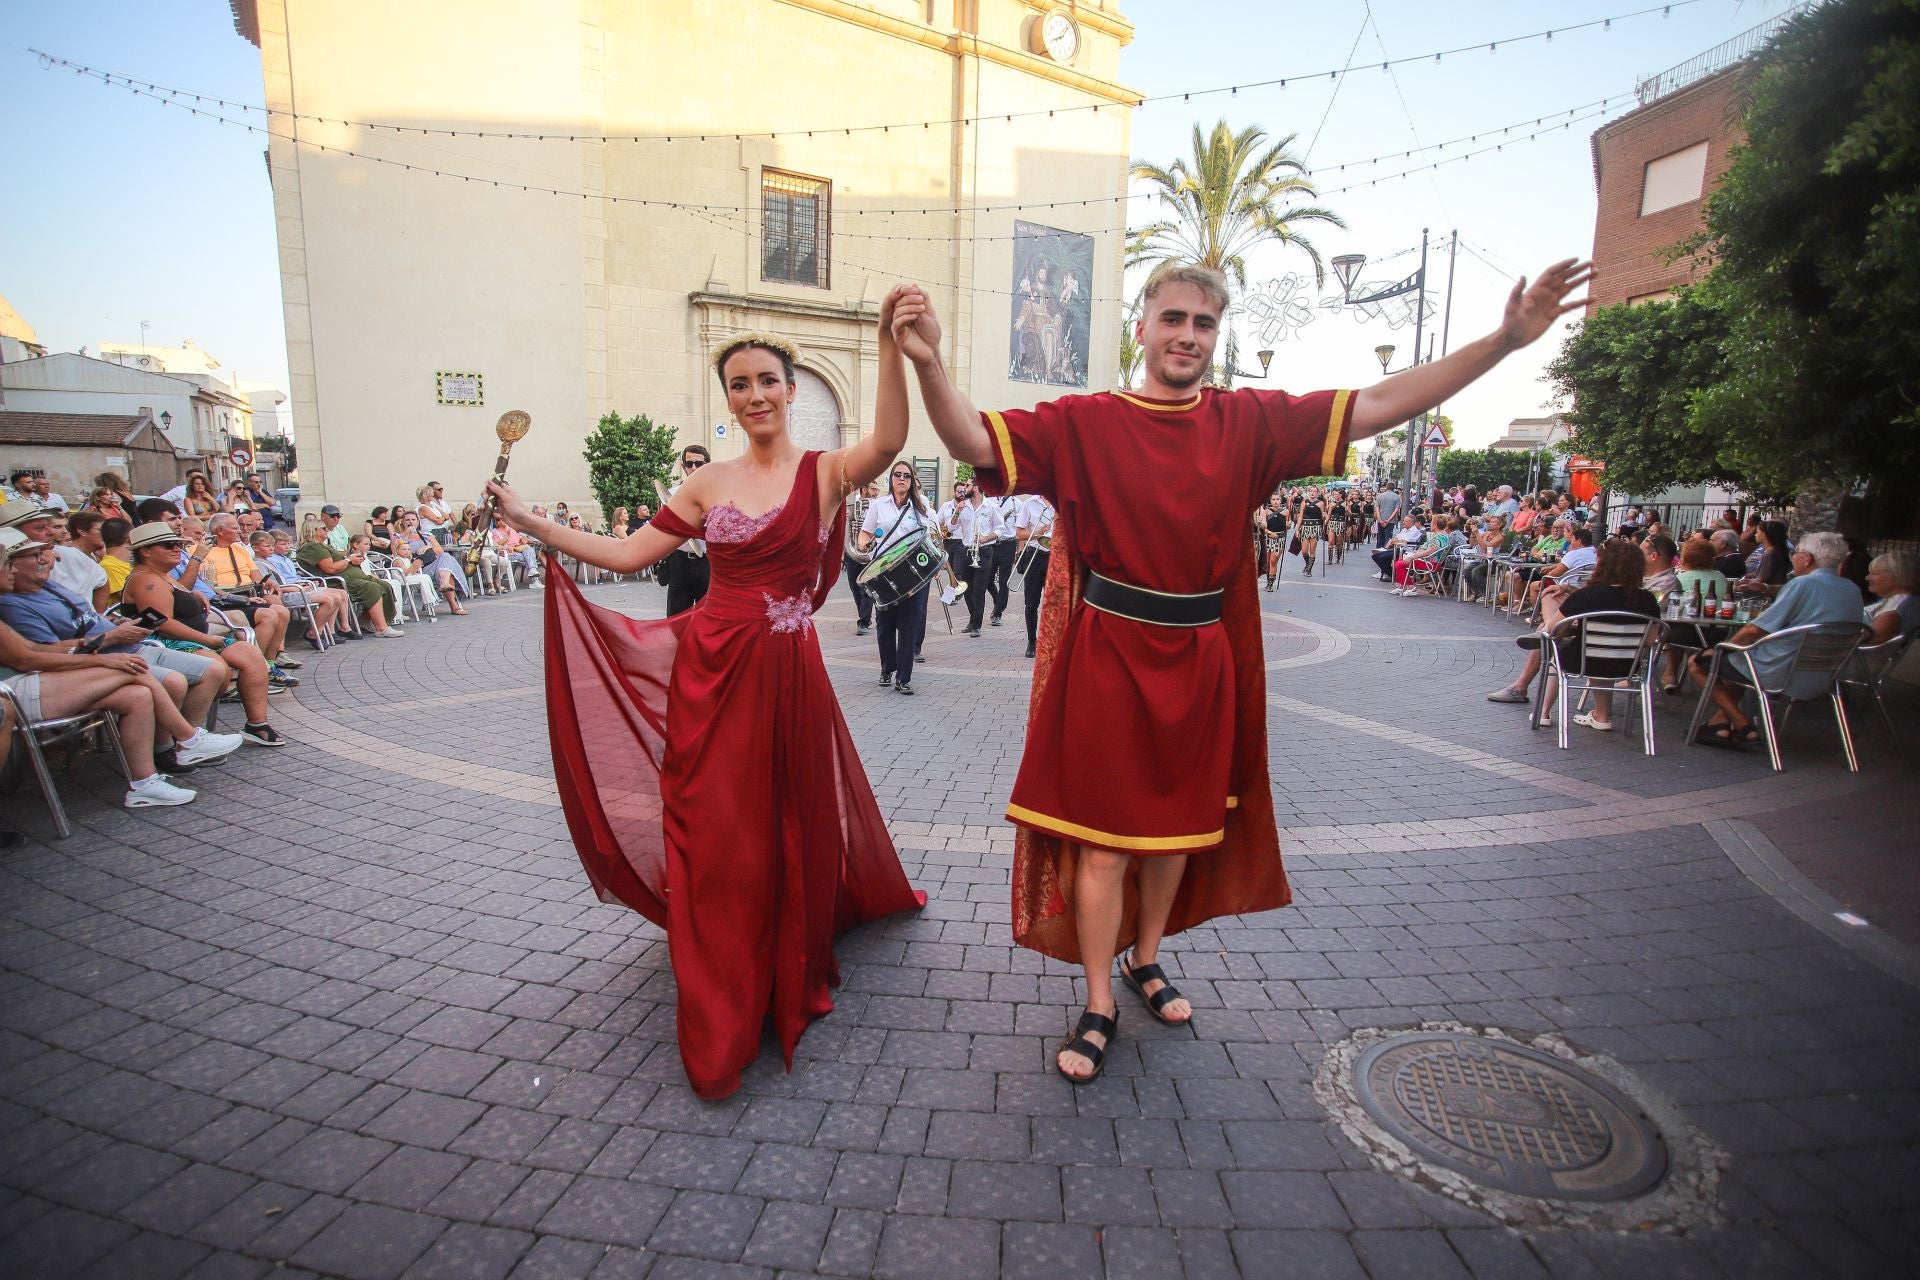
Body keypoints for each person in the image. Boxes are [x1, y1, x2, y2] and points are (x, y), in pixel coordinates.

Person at [897, 255, 1592, 1081]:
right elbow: (972, 439)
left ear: (1214, 336)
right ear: (1143, 327)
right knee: (1105, 848)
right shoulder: (1086, 421)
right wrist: (930, 362)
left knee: (1175, 839)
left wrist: (1505, 342)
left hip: (1201, 659)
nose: (1188, 335)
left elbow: (1376, 404)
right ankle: (1096, 1000)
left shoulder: (1249, 421)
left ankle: (1144, 959)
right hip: (1108, 655)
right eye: (1174, 319)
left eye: (1204, 323)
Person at [484, 300, 926, 1100]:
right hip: (710, 668)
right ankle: (723, 967)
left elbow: (891, 441)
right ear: (726, 398)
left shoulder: (824, 472)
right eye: (738, 385)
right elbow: (625, 556)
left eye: (766, 382)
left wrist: (895, 350)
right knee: (714, 822)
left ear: (793, 390)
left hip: (787, 672)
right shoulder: (703, 482)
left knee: (786, 815)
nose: (754, 395)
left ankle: (780, 950)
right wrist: (532, 524)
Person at [1, 532, 244, 807]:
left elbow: (45, 646)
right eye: (33, 555)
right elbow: (28, 659)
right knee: (133, 669)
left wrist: (106, 634)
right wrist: (104, 653)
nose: (50, 557)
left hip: (75, 663)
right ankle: (187, 740)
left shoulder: (46, 588)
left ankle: (144, 784)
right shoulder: (9, 603)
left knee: (137, 695)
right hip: (20, 688)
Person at [121, 523, 287, 748]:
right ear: (146, 551)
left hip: (191, 637)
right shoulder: (145, 580)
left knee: (250, 653)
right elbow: (161, 623)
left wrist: (192, 594)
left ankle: (256, 724)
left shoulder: (161, 575)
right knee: (216, 666)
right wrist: (206, 640)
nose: (176, 549)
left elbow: (173, 596)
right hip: (168, 642)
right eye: (169, 545)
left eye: (178, 545)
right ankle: (187, 737)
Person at [1692, 531, 1864, 747]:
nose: (1793, 557)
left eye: (1797, 553)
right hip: (1824, 675)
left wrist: (1722, 648)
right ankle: (1719, 725)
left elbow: (1755, 630)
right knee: (1735, 664)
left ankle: (1743, 724)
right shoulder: (1851, 589)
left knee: (1699, 663)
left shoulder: (1803, 584)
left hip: (1780, 670)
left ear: (1808, 559)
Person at [1486, 539, 1659, 729]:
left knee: (1551, 641)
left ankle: (1542, 712)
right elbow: (1651, 639)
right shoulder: (1648, 600)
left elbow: (1552, 630)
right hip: (1628, 665)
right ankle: (1601, 716)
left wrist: (1575, 627)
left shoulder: (1588, 596)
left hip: (1585, 660)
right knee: (1595, 648)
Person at [860, 463, 936, 692]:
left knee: (909, 626)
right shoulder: (877, 506)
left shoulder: (922, 507)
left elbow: (930, 538)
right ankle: (887, 668)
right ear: (891, 479)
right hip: (884, 572)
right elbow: (866, 532)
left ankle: (904, 678)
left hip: (914, 574)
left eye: (906, 475)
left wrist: (935, 564)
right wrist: (864, 544)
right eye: (897, 475)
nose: (902, 479)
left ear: (912, 480)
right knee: (884, 625)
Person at [295, 521, 403, 637]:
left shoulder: (322, 546)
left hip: (351, 576)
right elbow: (330, 569)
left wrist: (350, 558)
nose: (327, 530)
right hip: (335, 580)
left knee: (385, 585)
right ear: (313, 531)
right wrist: (349, 560)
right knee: (372, 588)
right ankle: (381, 628)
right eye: (323, 528)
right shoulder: (313, 547)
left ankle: (365, 620)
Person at [663, 445, 713, 616]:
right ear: (683, 467)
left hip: (707, 561)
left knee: (707, 618)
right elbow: (662, 528)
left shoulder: (716, 494)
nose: (693, 468)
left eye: (698, 464)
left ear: (707, 465)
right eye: (689, 464)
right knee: (675, 618)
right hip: (679, 561)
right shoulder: (671, 495)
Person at [393, 509, 472, 614]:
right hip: (416, 568)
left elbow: (439, 550)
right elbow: (395, 553)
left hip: (432, 564)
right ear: (403, 522)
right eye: (407, 520)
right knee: (447, 567)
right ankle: (454, 606)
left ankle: (444, 583)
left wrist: (428, 547)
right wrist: (406, 535)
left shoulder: (425, 534)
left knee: (445, 557)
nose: (410, 522)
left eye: (413, 519)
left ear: (418, 522)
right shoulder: (397, 537)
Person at [1015, 491, 1056, 657]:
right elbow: (1019, 533)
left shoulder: (1062, 501)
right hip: (1034, 554)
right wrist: (1038, 532)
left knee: (1054, 602)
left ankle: (1052, 641)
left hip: (1055, 555)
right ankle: (1032, 642)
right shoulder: (1029, 504)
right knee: (1031, 603)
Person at [1863, 549, 1920, 644]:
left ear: (1897, 576)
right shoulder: (1906, 601)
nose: (1867, 577)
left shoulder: (1893, 611)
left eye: (1874, 573)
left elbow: (1868, 642)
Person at [844, 481, 878, 636]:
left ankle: (863, 621)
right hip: (853, 552)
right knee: (854, 586)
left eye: (877, 489)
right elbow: (849, 526)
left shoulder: (878, 506)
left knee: (868, 587)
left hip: (871, 553)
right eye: (873, 488)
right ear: (864, 489)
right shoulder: (853, 506)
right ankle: (865, 616)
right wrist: (843, 517)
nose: (876, 492)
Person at [1256, 493, 1288, 591]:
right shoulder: (1265, 512)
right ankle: (1268, 580)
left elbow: (1286, 527)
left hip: (1279, 539)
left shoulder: (1286, 512)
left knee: (1273, 561)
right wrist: (1269, 532)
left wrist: (1289, 525)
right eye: (1273, 499)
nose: (1275, 501)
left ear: (1281, 501)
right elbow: (1262, 528)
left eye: (1277, 499)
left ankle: (1270, 585)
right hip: (1268, 539)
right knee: (1267, 563)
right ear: (1270, 501)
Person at [1372, 483, 1400, 548]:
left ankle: (1379, 550)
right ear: (1394, 488)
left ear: (1386, 487)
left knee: (1380, 536)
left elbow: (1377, 509)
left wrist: (1380, 520)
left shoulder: (1379, 496)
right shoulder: (1397, 497)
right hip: (1391, 521)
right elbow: (1396, 510)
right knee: (1388, 537)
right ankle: (1386, 550)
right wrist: (1388, 520)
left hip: (1381, 519)